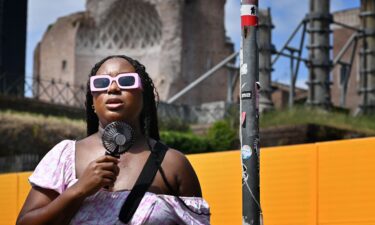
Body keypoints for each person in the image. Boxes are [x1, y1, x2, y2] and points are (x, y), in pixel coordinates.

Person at [16, 55, 210, 225]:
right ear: (92, 101)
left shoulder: (173, 165)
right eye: (101, 83)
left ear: (144, 96)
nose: (113, 88)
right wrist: (78, 190)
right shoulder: (65, 156)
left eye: (126, 81)